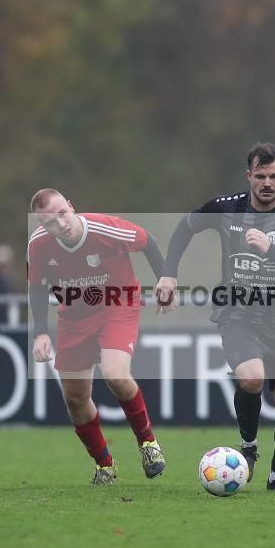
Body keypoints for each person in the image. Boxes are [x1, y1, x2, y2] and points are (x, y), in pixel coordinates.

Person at [156, 143, 275, 491]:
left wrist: (270, 248)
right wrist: (169, 273)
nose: (267, 183)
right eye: (260, 176)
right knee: (251, 378)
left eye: (274, 176)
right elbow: (185, 227)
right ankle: (248, 446)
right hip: (237, 314)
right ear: (249, 176)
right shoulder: (225, 208)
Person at [27, 188, 167, 485]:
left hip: (118, 306)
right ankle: (105, 465)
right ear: (43, 227)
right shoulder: (38, 246)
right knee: (75, 398)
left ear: (71, 206)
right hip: (74, 318)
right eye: (50, 222)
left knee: (116, 374)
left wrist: (166, 280)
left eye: (62, 213)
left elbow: (148, 242)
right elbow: (37, 287)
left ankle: (148, 444)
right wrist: (40, 332)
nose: (61, 224)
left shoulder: (104, 227)